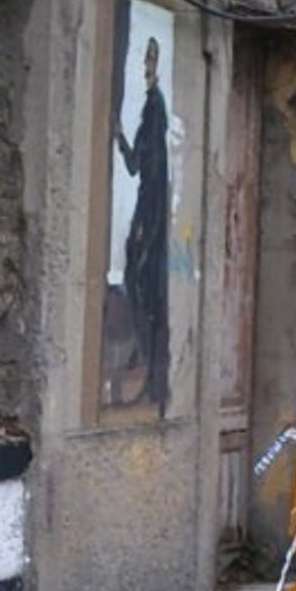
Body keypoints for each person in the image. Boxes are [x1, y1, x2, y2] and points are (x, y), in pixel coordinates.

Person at [114, 35, 170, 409]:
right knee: (137, 281)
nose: (145, 68)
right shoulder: (150, 107)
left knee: (143, 283)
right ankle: (147, 365)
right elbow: (136, 164)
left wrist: (146, 225)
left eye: (149, 62)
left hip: (151, 207)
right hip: (148, 204)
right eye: (144, 61)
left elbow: (148, 167)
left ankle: (149, 368)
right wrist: (119, 136)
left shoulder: (155, 108)